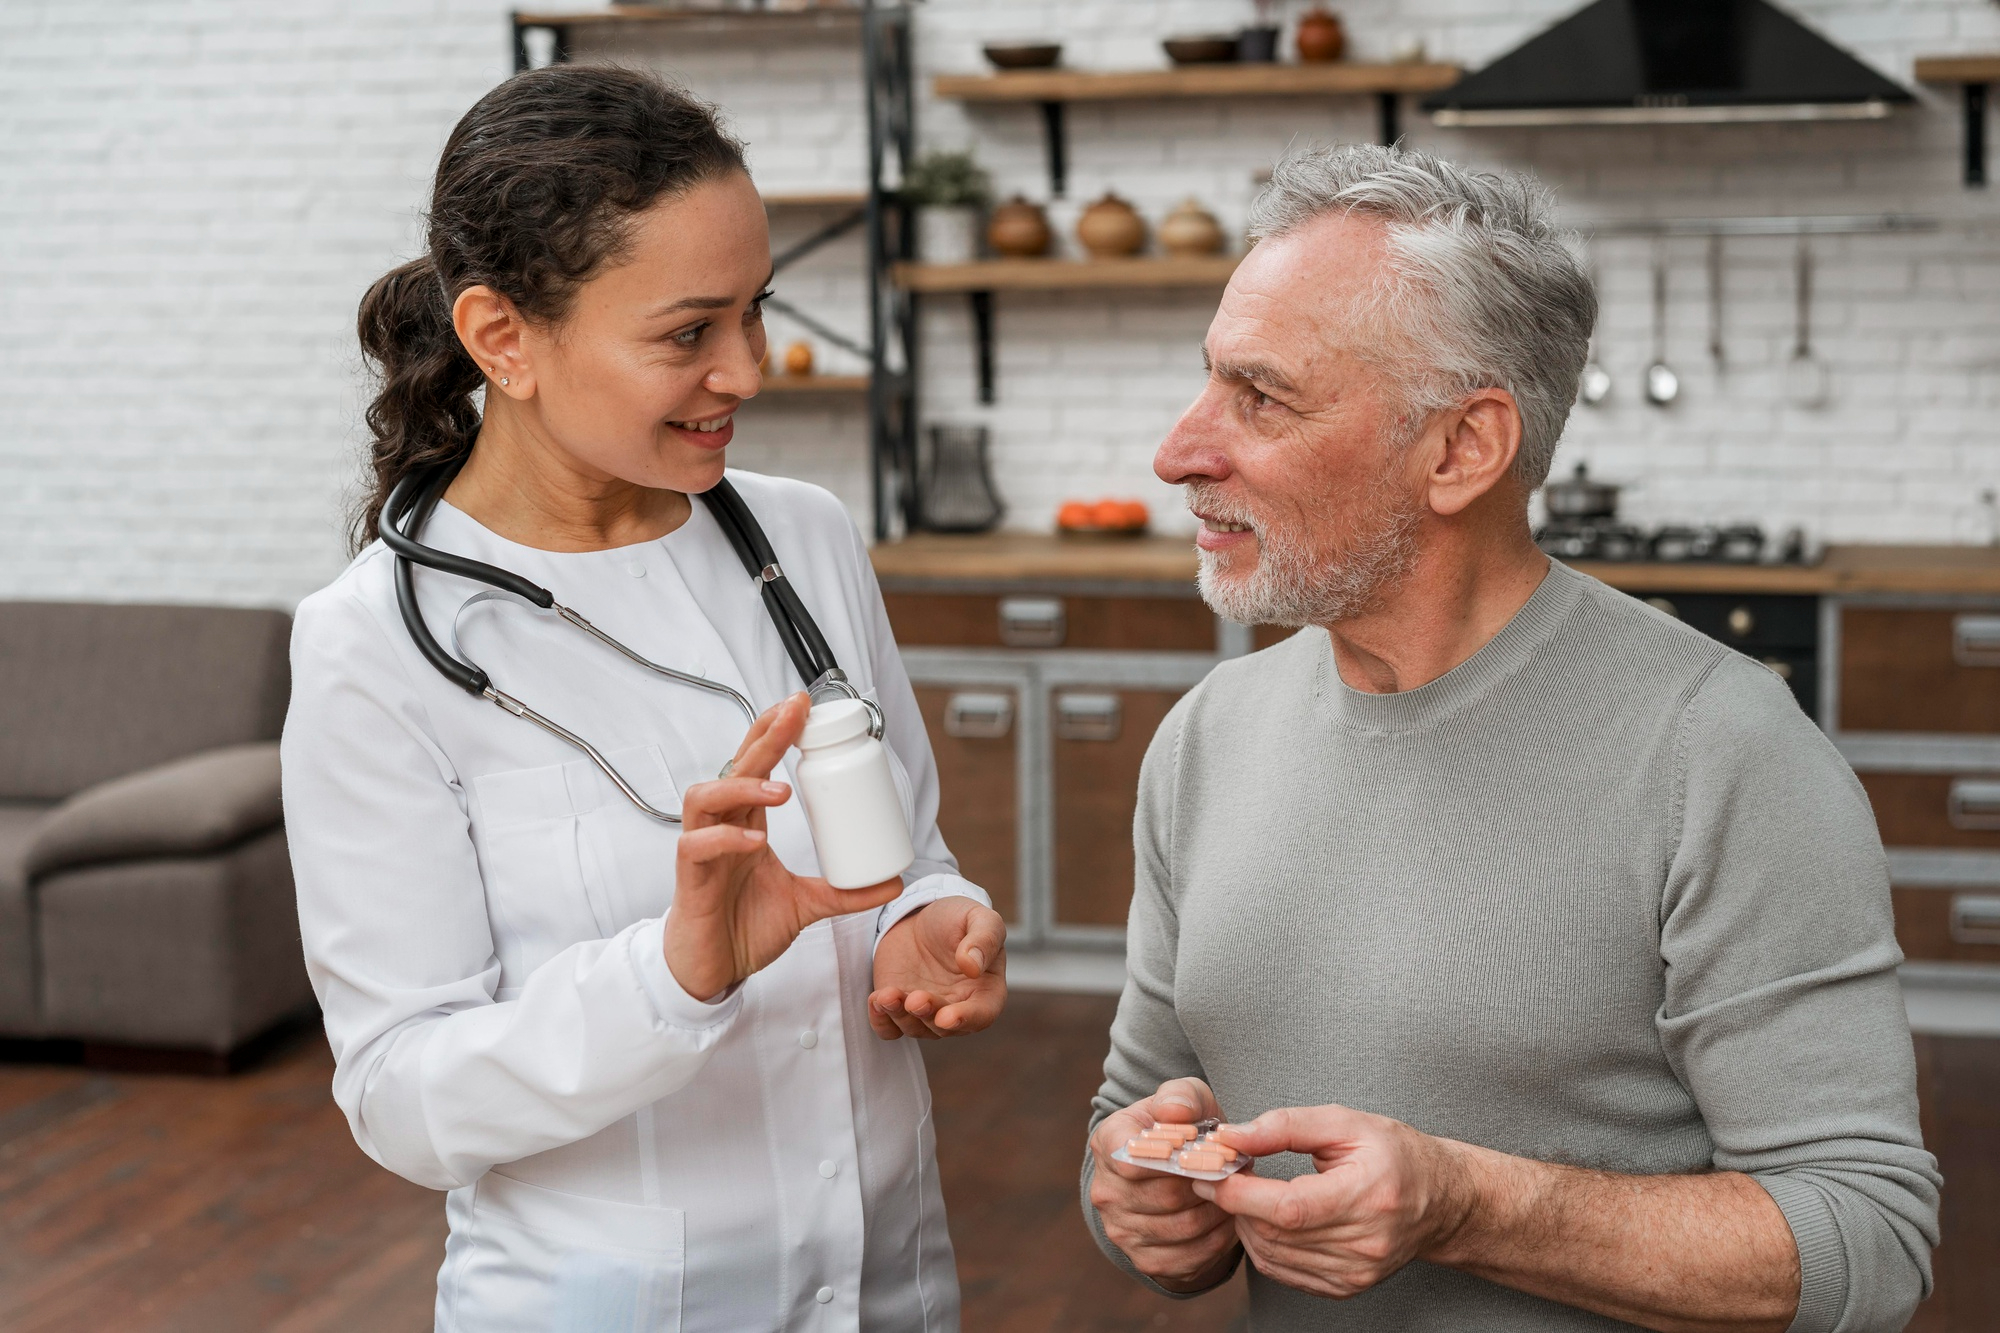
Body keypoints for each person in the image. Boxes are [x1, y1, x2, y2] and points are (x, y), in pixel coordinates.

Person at [1082, 144, 1940, 1332]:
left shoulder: (1719, 751)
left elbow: (1867, 1243)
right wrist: (1137, 1198)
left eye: (1259, 396)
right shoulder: (1204, 739)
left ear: (1460, 449)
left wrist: (1464, 1205)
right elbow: (1136, 1116)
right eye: (1204, 384)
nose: (1179, 451)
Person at [282, 66, 1005, 1332]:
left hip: (891, 1271)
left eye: (754, 312)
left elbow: (906, 855)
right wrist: (673, 975)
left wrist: (925, 922)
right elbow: (400, 1098)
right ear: (503, 338)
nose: (747, 371)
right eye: (688, 332)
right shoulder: (374, 648)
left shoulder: (806, 540)